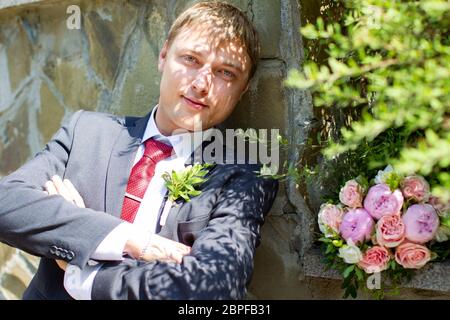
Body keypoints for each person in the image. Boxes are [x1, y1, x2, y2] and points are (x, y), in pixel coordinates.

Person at [0, 2, 278, 299]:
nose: (201, 84)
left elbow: (213, 287)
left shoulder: (246, 177)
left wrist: (84, 274)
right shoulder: (87, 132)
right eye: (191, 59)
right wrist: (128, 240)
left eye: (225, 73)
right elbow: (7, 203)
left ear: (244, 88)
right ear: (163, 55)